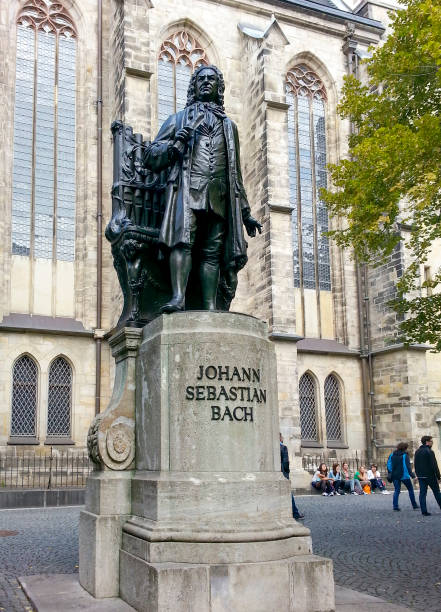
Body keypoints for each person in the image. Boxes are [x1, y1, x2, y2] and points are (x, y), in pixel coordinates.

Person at [144, 65, 262, 313]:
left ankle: (210, 306)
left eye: (212, 79)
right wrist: (175, 146)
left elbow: (236, 174)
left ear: (219, 87)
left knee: (212, 252)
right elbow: (151, 156)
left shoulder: (230, 127)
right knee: (182, 242)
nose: (206, 82)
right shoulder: (177, 120)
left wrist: (245, 212)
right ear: (194, 87)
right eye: (201, 79)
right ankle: (178, 298)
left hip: (218, 196)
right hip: (187, 191)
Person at [387, 442, 419, 511]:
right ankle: (414, 505)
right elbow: (407, 467)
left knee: (397, 490)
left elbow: (389, 465)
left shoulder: (392, 454)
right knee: (410, 489)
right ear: (405, 448)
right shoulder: (405, 455)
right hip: (404, 475)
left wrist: (392, 472)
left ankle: (395, 506)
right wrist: (413, 476)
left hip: (395, 475)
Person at [414, 435, 441, 516]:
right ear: (427, 442)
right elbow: (434, 465)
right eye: (431, 441)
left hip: (421, 476)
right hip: (430, 476)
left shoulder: (417, 451)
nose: (432, 442)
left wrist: (417, 474)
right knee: (437, 492)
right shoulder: (429, 451)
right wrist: (438, 476)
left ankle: (424, 511)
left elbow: (415, 464)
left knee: (422, 493)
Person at [280, 433, 304, 520]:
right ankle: (295, 513)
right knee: (289, 493)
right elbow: (286, 463)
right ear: (280, 438)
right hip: (283, 473)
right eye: (282, 437)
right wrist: (287, 472)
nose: (283, 438)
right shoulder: (283, 447)